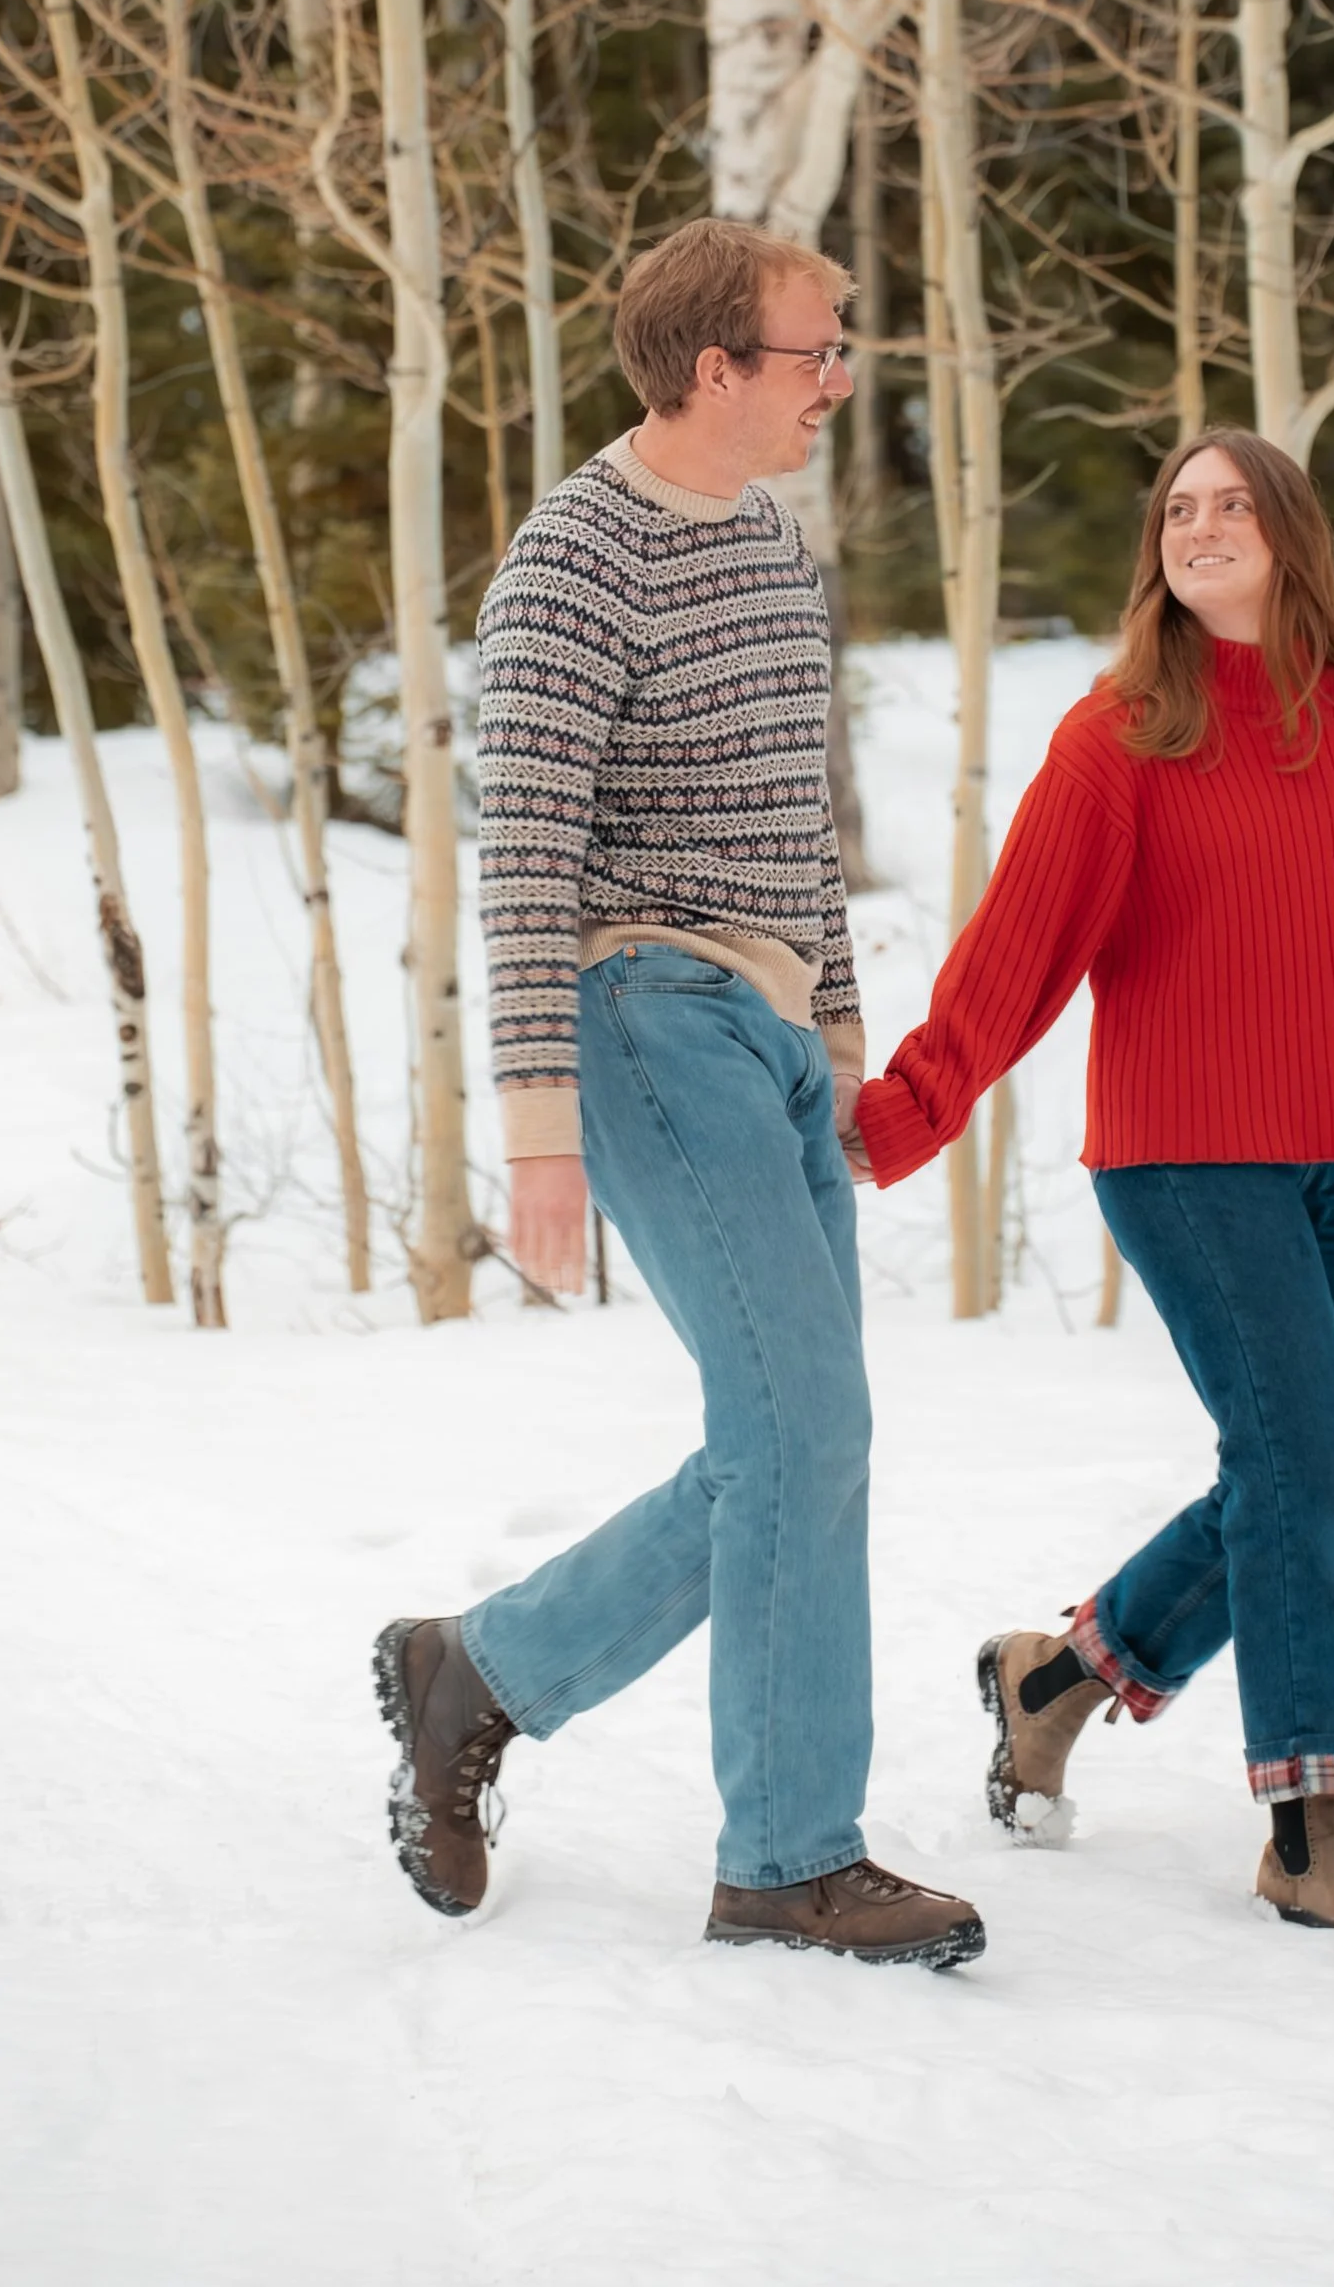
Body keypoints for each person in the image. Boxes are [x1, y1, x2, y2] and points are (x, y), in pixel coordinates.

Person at [374, 218, 984, 1971]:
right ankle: (789, 1856)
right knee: (804, 1435)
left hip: (778, 1040)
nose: (839, 379)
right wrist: (539, 1129)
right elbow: (526, 861)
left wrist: (849, 1053)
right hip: (644, 1009)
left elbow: (804, 828)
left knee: (802, 1446)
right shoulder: (573, 558)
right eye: (818, 351)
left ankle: (476, 1668)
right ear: (716, 367)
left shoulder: (779, 553)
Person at [853, 431, 1334, 1934]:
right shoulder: (1121, 735)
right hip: (1180, 1157)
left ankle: (1057, 1675)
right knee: (1307, 1472)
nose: (1204, 525)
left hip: (1331, 1152)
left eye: (1235, 503)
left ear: (1292, 535)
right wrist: (912, 1107)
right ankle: (1308, 1827)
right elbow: (1017, 951)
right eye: (1180, 508)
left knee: (1297, 1473)